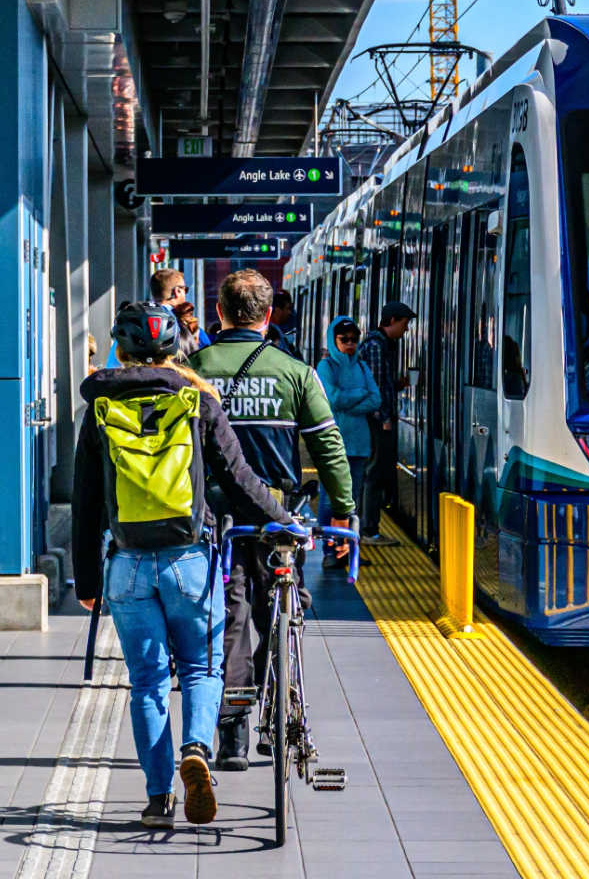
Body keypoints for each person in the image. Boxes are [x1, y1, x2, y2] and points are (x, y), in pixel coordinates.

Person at [72, 302, 293, 830]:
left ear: (119, 350)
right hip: (189, 560)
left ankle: (156, 799)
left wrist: (86, 582)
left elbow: (85, 503)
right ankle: (197, 749)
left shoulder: (99, 407)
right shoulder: (197, 401)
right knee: (200, 668)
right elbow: (239, 480)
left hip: (126, 564)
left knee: (146, 682)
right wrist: (282, 522)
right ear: (175, 349)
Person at [190, 269, 355, 770]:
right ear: (267, 317)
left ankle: (232, 735)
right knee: (282, 610)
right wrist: (343, 513)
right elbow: (328, 446)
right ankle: (277, 705)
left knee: (229, 618)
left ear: (219, 314)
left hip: (214, 518)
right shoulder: (295, 371)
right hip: (277, 516)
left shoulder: (193, 368)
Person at [315, 317, 380, 570]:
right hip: (334, 442)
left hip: (360, 444)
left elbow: (376, 399)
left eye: (354, 339)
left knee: (353, 499)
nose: (350, 344)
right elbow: (333, 398)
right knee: (330, 498)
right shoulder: (326, 367)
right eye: (344, 340)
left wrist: (350, 400)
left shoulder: (362, 367)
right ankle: (331, 549)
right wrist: (359, 395)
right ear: (334, 340)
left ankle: (349, 550)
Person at [355, 301, 415, 543]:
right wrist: (385, 419)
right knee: (374, 474)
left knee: (373, 473)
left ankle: (367, 526)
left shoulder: (376, 344)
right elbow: (377, 387)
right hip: (377, 421)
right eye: (404, 323)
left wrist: (398, 384)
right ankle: (369, 529)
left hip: (373, 419)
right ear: (391, 321)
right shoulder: (377, 347)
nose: (406, 329)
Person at [103, 270, 209, 366]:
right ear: (177, 291)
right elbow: (205, 358)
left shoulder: (132, 322)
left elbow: (113, 364)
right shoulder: (185, 324)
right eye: (185, 289)